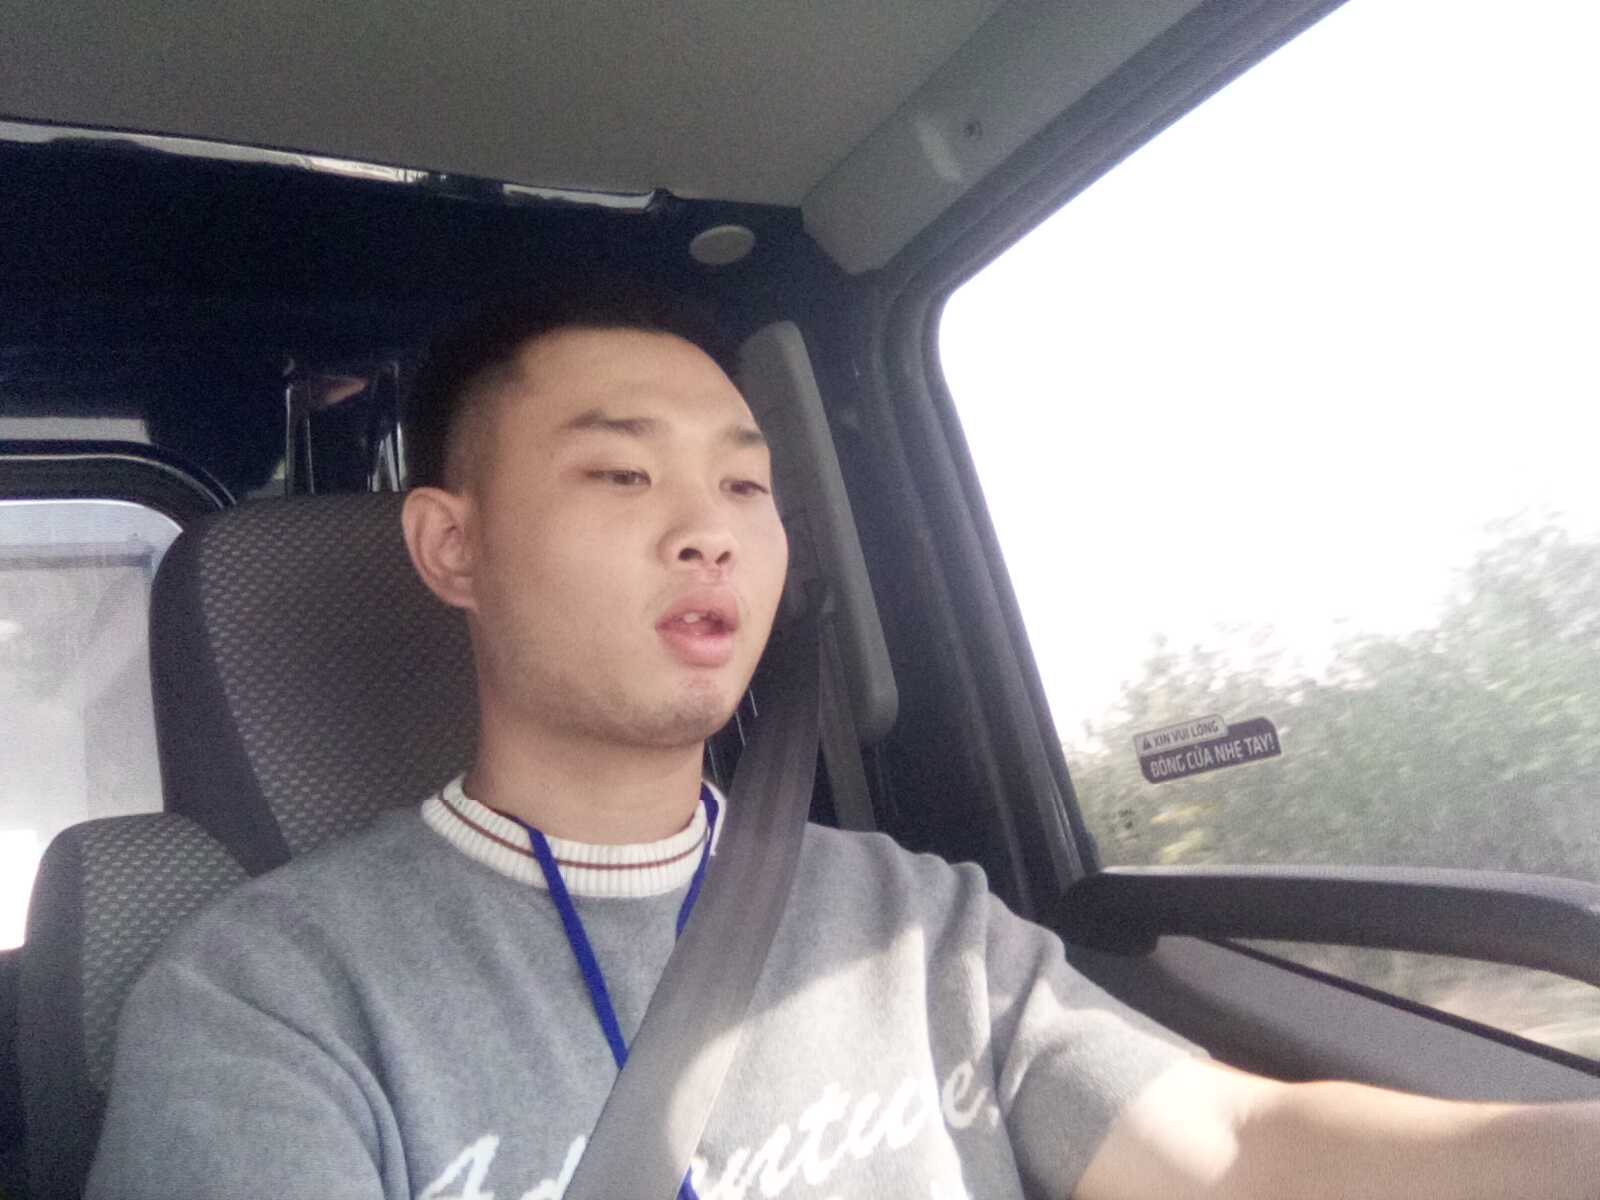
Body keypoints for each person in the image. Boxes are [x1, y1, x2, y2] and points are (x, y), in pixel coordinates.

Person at [89, 284, 1598, 1199]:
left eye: (747, 487)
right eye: (622, 476)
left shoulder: (915, 921)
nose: (709, 531)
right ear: (452, 547)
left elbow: (1236, 1149)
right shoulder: (268, 992)